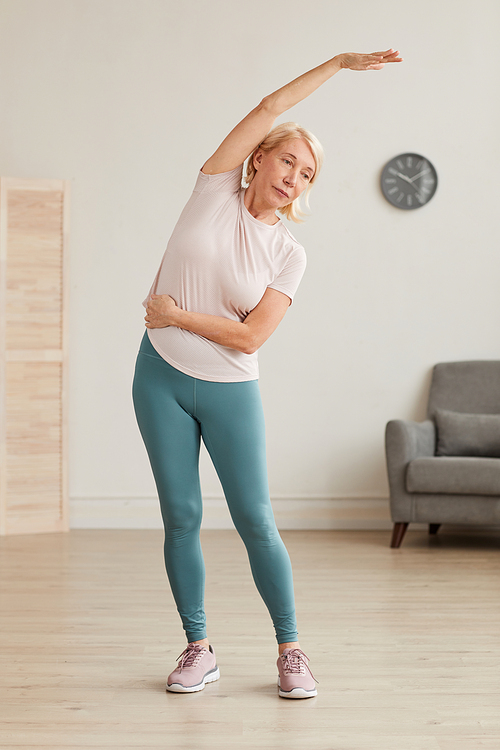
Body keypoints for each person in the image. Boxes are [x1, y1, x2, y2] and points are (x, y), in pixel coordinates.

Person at [132, 48, 402, 699]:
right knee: (181, 515)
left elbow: (253, 335)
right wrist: (339, 64)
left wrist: (176, 313)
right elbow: (270, 107)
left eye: (307, 174)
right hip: (158, 378)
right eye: (287, 161)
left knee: (256, 519)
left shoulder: (288, 254)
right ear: (258, 158)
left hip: (230, 390)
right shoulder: (211, 188)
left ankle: (291, 650)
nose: (294, 177)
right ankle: (198, 647)